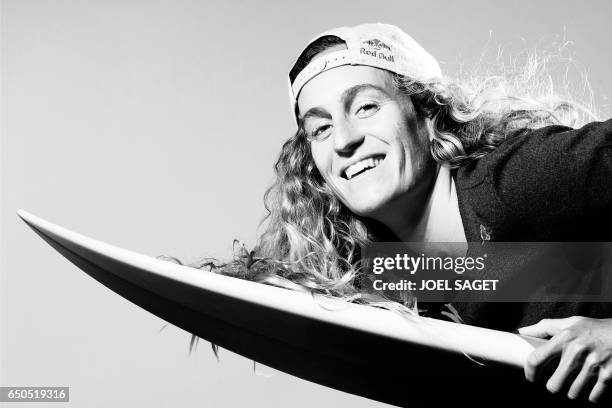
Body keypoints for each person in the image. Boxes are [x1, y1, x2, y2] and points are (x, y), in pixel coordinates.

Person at [194, 23, 611, 403]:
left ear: (427, 113)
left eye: (366, 107)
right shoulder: (394, 276)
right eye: (320, 128)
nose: (344, 139)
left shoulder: (518, 181)